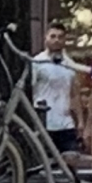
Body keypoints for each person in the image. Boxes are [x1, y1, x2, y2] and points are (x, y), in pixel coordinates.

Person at [30, 22, 82, 158]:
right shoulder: (37, 62)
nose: (56, 40)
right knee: (45, 164)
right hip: (44, 124)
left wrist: (80, 122)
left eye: (60, 37)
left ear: (65, 40)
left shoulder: (69, 64)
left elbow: (75, 94)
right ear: (45, 38)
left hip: (66, 123)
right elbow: (30, 91)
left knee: (71, 161)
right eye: (52, 36)